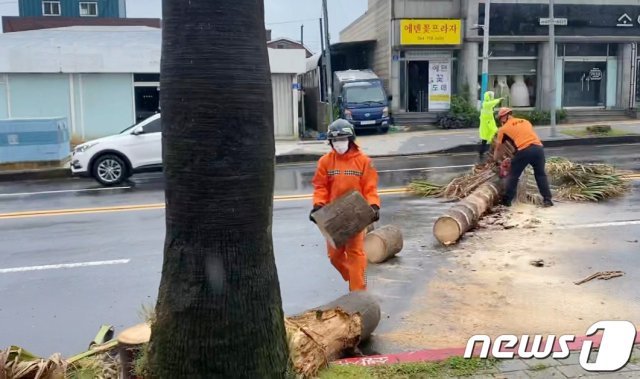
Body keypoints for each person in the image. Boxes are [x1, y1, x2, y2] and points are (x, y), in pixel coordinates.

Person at [309, 119, 380, 292]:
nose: (339, 144)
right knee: (334, 256)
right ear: (330, 142)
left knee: (355, 254)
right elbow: (321, 187)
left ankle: (358, 291)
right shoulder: (325, 162)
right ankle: (353, 278)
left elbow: (370, 188)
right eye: (335, 140)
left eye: (342, 139)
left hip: (356, 214)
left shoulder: (364, 161)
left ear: (350, 139)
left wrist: (374, 206)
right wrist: (318, 206)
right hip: (333, 215)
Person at [494, 108, 553, 208]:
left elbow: (499, 147)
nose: (500, 121)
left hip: (525, 150)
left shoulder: (503, 129)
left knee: (513, 175)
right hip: (538, 149)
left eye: (500, 119)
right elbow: (524, 134)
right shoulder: (525, 121)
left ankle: (507, 200)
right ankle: (547, 200)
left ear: (504, 117)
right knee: (540, 175)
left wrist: (496, 159)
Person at [479, 91, 502, 160]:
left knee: (486, 139)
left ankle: (482, 152)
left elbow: (492, 104)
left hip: (488, 124)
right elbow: (491, 103)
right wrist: (499, 100)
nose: (492, 97)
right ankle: (489, 152)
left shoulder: (487, 104)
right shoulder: (486, 104)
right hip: (488, 124)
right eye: (491, 96)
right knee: (493, 137)